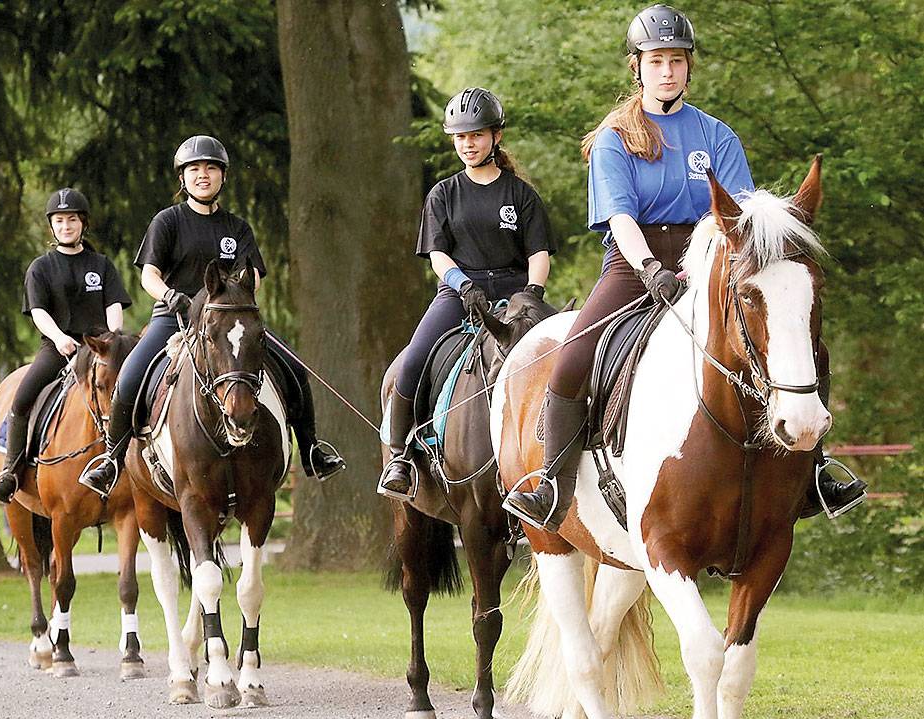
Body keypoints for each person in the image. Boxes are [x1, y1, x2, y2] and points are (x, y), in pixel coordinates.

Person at [503, 4, 864, 531]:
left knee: (804, 346)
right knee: (571, 360)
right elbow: (620, 217)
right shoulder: (614, 137)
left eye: (676, 60)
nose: (667, 70)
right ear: (637, 67)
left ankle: (815, 473)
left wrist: (705, 270)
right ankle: (553, 488)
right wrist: (650, 267)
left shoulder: (717, 136)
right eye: (656, 60)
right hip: (633, 264)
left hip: (711, 264)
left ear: (689, 67)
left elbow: (740, 219)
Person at [78, 135, 344, 498]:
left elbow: (255, 276)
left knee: (294, 369)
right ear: (183, 178)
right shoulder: (167, 221)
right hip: (174, 318)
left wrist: (236, 300)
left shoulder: (237, 228)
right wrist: (171, 296)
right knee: (129, 376)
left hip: (227, 321)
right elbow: (148, 276)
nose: (203, 175)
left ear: (222, 176)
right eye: (194, 169)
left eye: (211, 168)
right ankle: (111, 459)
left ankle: (312, 448)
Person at [378, 87, 555, 501]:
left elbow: (539, 254)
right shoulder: (443, 193)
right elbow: (437, 254)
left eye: (475, 135)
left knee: (559, 355)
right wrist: (463, 284)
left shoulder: (521, 195)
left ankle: (557, 459)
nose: (468, 144)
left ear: (495, 136)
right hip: (459, 291)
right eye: (460, 137)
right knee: (413, 359)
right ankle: (401, 456)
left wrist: (532, 293)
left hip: (515, 297)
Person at [0, 188, 131, 504]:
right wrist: (59, 338)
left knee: (132, 391)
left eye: (73, 220)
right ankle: (11, 471)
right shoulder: (41, 267)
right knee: (22, 398)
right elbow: (38, 311)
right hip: (58, 347)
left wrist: (112, 338)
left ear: (83, 224)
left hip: (100, 350)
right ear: (52, 226)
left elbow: (114, 303)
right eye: (60, 221)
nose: (67, 226)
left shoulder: (101, 265)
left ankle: (137, 464)